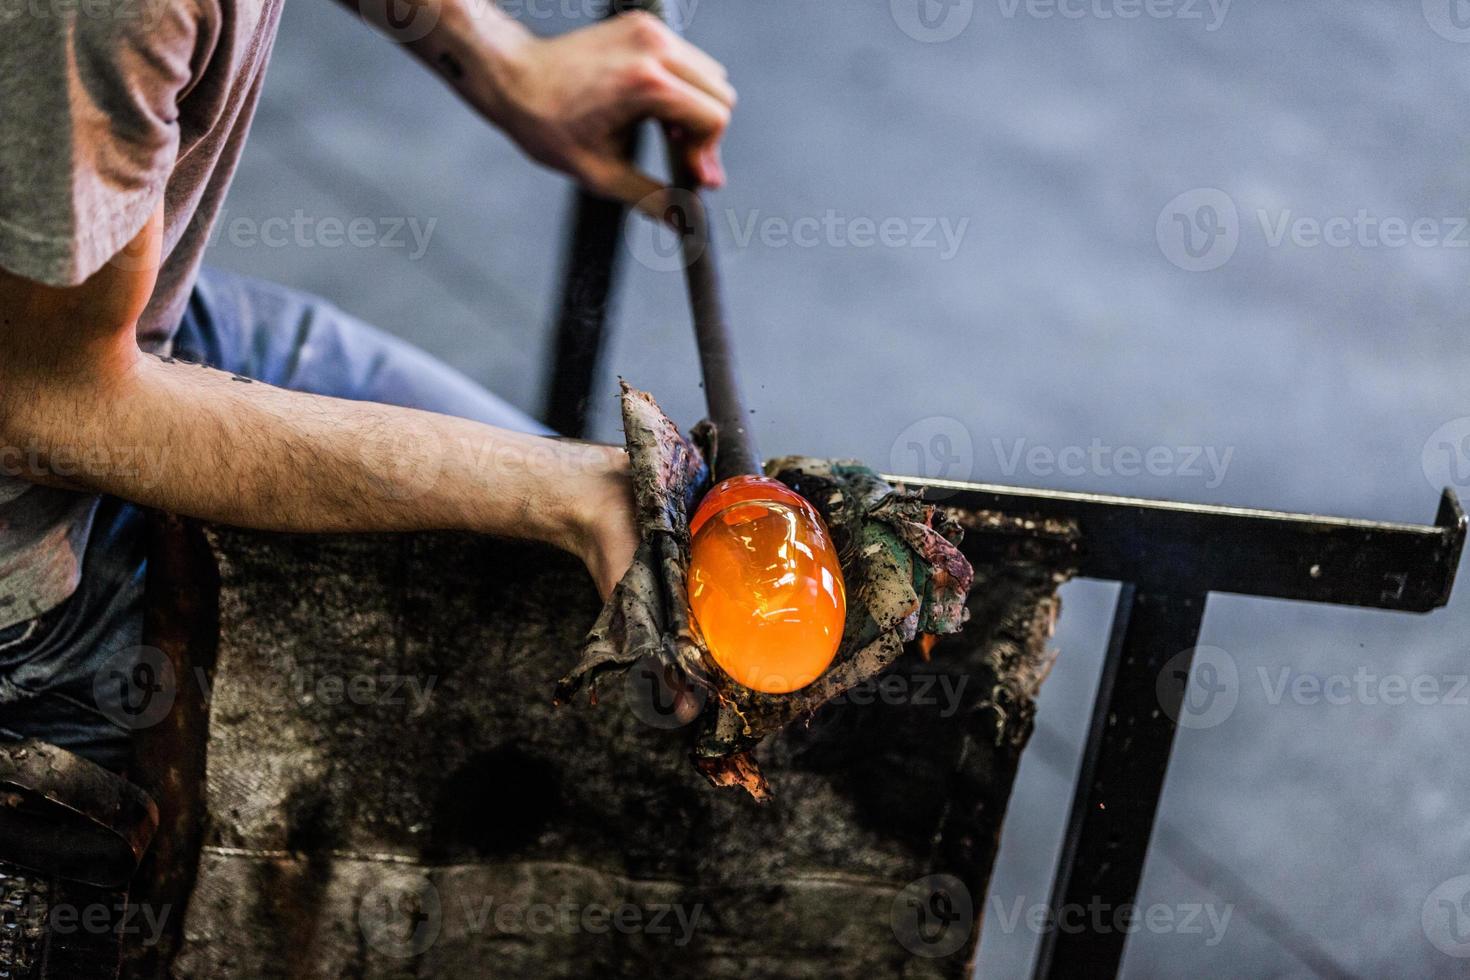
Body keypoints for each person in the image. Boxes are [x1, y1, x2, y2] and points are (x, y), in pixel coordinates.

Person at [0, 1, 737, 773]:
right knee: (583, 746)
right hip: (37, 548)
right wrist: (555, 491)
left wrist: (502, 57)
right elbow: (52, 405)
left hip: (137, 316)